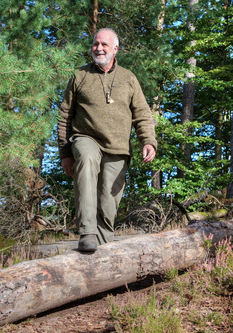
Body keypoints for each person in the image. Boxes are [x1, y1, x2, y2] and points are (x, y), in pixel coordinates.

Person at [58, 28, 157, 252]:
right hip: (86, 137)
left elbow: (142, 113)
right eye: (95, 44)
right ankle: (86, 231)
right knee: (86, 156)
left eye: (104, 44)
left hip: (118, 147)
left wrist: (148, 141)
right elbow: (64, 117)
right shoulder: (79, 76)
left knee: (108, 203)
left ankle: (102, 251)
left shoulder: (128, 78)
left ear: (115, 49)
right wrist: (65, 154)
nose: (99, 48)